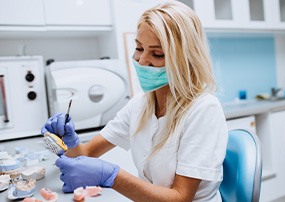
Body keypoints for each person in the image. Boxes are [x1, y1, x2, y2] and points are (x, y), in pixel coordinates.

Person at [41, 1, 228, 201]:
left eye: (157, 54)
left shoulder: (203, 109)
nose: (142, 60)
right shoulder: (141, 104)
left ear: (185, 58)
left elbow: (181, 197)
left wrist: (112, 177)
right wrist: (71, 141)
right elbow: (86, 154)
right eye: (139, 48)